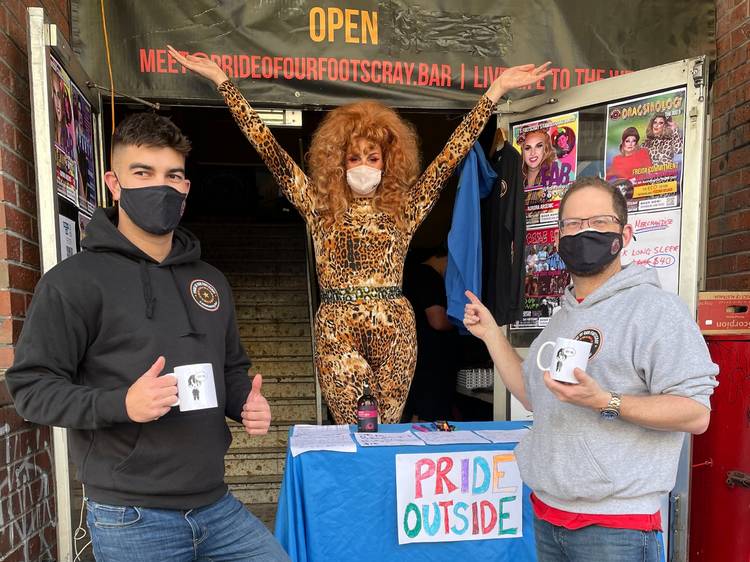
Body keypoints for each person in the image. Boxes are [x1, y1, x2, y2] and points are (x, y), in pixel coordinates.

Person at [167, 44, 551, 424]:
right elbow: (269, 148)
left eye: (373, 157)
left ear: (388, 162)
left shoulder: (404, 209)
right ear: (339, 161)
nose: (363, 166)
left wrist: (495, 92)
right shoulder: (319, 206)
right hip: (337, 328)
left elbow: (450, 156)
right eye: (354, 157)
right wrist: (223, 82)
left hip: (397, 331)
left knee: (386, 432)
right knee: (357, 429)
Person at [6, 113, 289, 561]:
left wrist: (244, 402)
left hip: (216, 503)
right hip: (132, 514)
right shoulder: (74, 282)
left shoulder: (210, 280)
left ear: (186, 188)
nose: (161, 186)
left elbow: (230, 365)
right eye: (143, 173)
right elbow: (31, 390)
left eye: (173, 175)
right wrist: (123, 404)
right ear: (114, 184)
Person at [463, 176, 718, 562]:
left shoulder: (655, 310)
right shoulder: (563, 317)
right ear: (559, 237)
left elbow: (695, 413)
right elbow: (535, 397)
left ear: (625, 234)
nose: (585, 233)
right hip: (550, 517)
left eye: (599, 222)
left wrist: (606, 400)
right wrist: (491, 335)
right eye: (573, 224)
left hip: (616, 528)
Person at [401, 247, 460, 422]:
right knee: (431, 415)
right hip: (431, 361)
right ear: (447, 258)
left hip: (414, 357)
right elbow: (438, 321)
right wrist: (462, 321)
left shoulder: (410, 276)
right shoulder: (429, 276)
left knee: (416, 411)